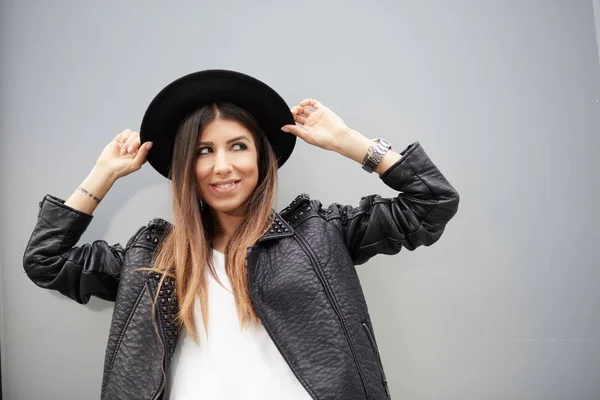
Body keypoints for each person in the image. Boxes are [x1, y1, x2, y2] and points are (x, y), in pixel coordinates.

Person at [23, 69, 460, 400]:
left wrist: (349, 142)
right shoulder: (153, 257)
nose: (222, 166)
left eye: (238, 146)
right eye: (203, 151)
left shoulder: (318, 235)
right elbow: (46, 261)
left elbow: (432, 203)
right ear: (185, 170)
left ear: (261, 159)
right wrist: (102, 175)